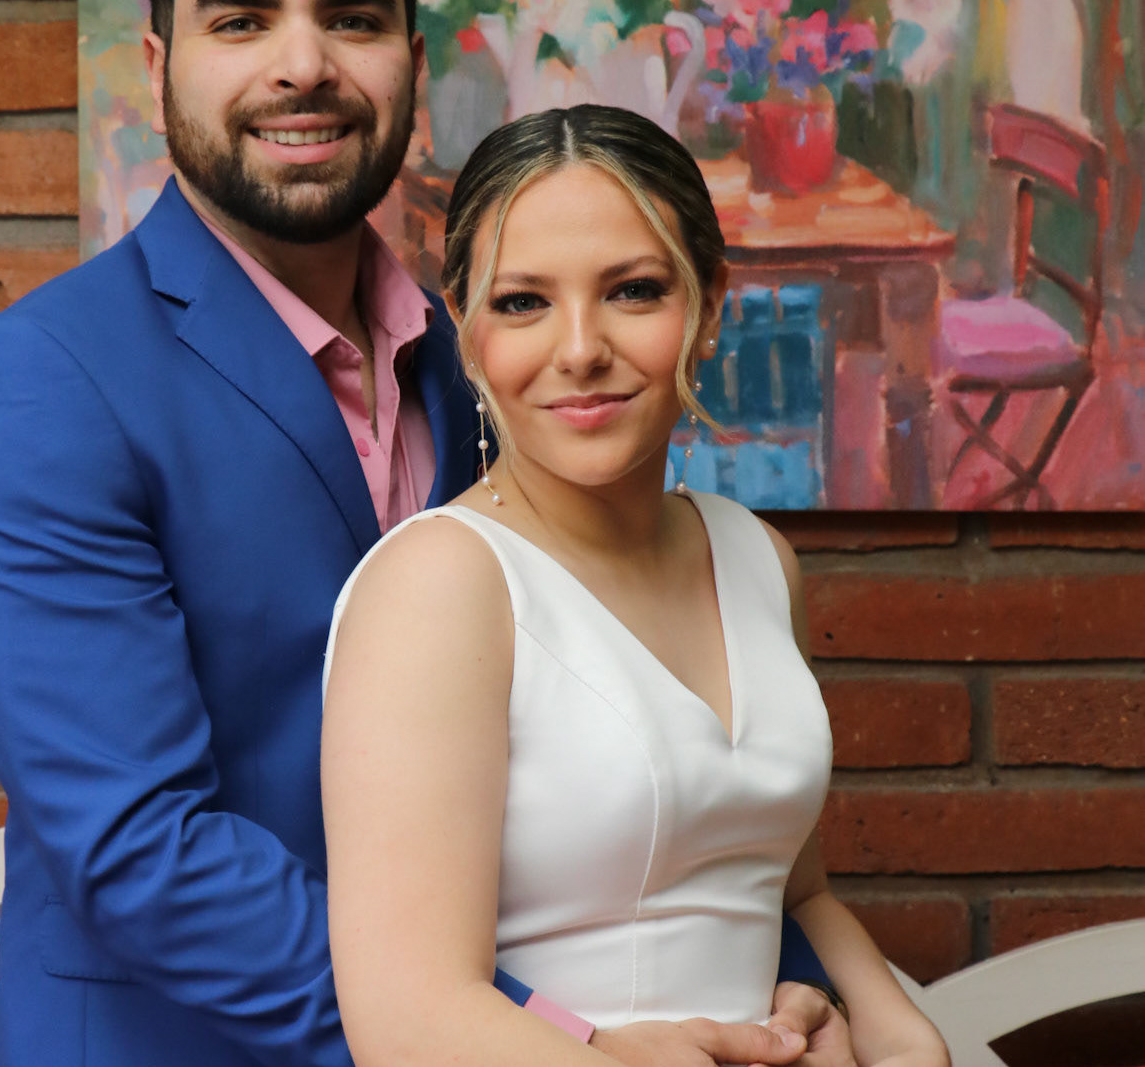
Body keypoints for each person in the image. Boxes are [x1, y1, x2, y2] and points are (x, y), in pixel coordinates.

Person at [0, 1, 845, 1063]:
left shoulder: (489, 362)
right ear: (158, 70)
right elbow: (137, 846)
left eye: (352, 19)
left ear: (413, 64)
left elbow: (632, 786)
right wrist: (557, 1038)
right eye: (242, 21)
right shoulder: (39, 385)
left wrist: (781, 989)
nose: (302, 65)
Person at [321, 104, 952, 1067]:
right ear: (466, 328)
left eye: (633, 290)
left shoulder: (754, 556)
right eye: (522, 302)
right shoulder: (439, 585)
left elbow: (791, 888)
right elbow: (408, 1019)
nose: (580, 348)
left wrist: (898, 1030)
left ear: (708, 306)